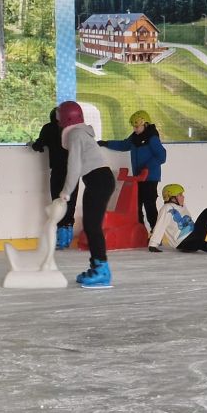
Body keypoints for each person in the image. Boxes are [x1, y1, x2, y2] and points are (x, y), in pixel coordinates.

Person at [57, 101, 116, 289]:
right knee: (90, 225)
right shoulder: (80, 133)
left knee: (92, 226)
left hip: (99, 180)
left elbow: (74, 167)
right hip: (99, 180)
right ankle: (97, 266)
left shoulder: (75, 134)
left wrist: (66, 192)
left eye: (60, 116)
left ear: (67, 117)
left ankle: (102, 270)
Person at [97, 109, 166, 230]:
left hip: (150, 178)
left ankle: (156, 231)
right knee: (136, 204)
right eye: (134, 127)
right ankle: (140, 229)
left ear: (145, 124)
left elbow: (161, 156)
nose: (135, 129)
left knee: (149, 204)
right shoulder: (135, 138)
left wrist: (147, 167)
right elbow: (123, 145)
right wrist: (106, 143)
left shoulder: (152, 138)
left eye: (137, 127)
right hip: (138, 177)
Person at [148, 183, 207, 255]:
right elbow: (160, 226)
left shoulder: (181, 206)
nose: (183, 197)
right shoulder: (167, 208)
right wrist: (153, 244)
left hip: (193, 234)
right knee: (198, 243)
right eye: (180, 195)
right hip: (183, 243)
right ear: (172, 198)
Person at [30, 108, 74, 249]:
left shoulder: (48, 128)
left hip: (58, 170)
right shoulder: (72, 129)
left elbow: (39, 145)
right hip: (73, 170)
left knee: (58, 202)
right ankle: (68, 235)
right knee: (70, 200)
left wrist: (33, 144)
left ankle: (61, 238)